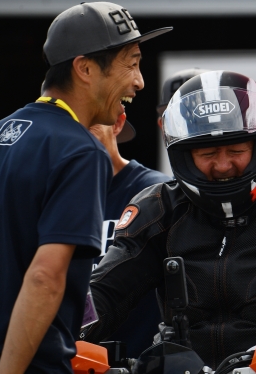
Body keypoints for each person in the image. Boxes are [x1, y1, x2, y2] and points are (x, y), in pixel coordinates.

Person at [0, 1, 171, 374]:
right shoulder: (81, 152)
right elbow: (44, 277)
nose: (139, 81)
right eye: (130, 63)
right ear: (85, 68)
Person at [83, 70, 256, 369]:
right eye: (207, 152)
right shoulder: (157, 208)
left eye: (236, 150)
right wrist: (66, 328)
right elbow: (106, 288)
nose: (222, 165)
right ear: (182, 155)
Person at [86, 113, 169, 358]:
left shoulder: (156, 195)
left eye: (88, 122)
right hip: (71, 358)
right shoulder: (50, 197)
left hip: (141, 360)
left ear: (118, 123)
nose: (75, 132)